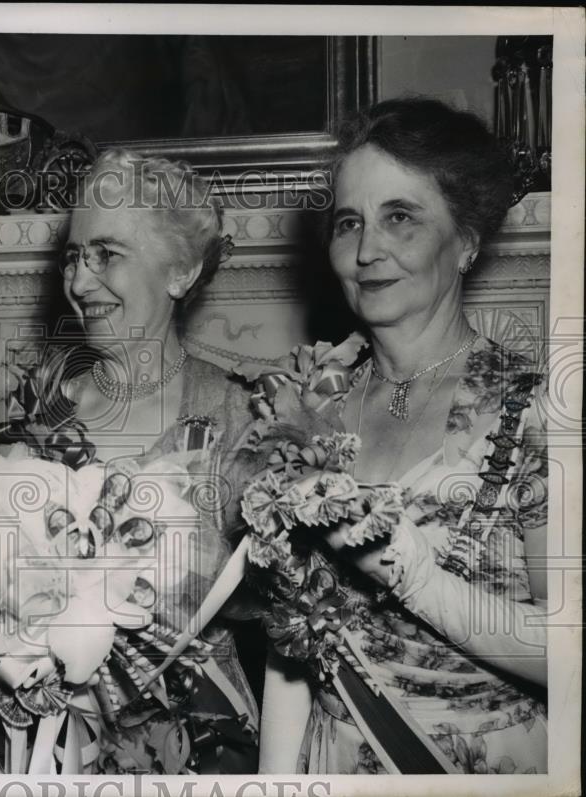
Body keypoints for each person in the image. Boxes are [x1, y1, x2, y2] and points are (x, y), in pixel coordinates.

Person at [257, 98, 548, 774]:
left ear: (467, 239)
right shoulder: (310, 401)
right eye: (348, 222)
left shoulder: (531, 410)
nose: (365, 251)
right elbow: (292, 640)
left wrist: (412, 571)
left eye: (401, 217)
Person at [54, 148, 262, 770]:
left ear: (180, 271)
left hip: (200, 741)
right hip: (56, 739)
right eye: (73, 257)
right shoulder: (37, 417)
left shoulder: (240, 417)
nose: (81, 282)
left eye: (107, 256)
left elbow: (282, 608)